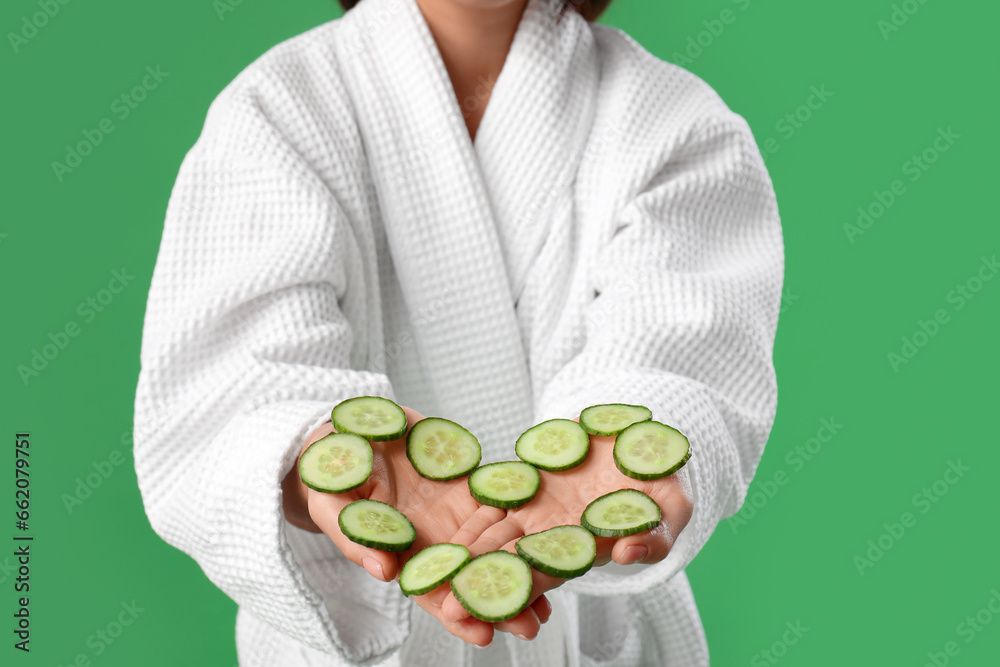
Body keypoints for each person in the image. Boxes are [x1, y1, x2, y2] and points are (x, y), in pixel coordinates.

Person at [133, 0, 784, 665]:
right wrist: (317, 458)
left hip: (592, 644)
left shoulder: (672, 123)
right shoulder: (278, 111)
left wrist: (628, 449)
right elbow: (237, 385)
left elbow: (677, 357)